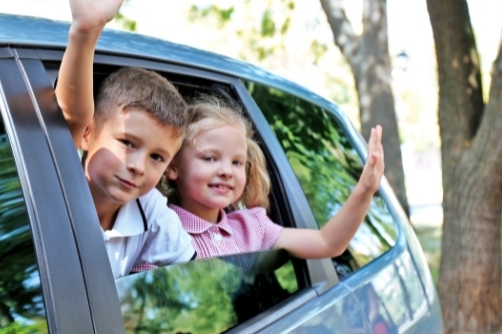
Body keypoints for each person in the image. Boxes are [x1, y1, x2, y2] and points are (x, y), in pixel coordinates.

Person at [56, 0, 195, 277]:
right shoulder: (57, 181)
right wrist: (85, 33)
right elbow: (71, 116)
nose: (138, 166)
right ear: (88, 134)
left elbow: (189, 282)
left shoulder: (150, 209)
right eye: (127, 142)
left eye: (157, 157)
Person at [133, 96, 384, 267]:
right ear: (173, 166)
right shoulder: (158, 229)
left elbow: (327, 243)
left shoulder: (253, 226)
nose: (226, 171)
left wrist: (365, 189)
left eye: (237, 162)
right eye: (210, 158)